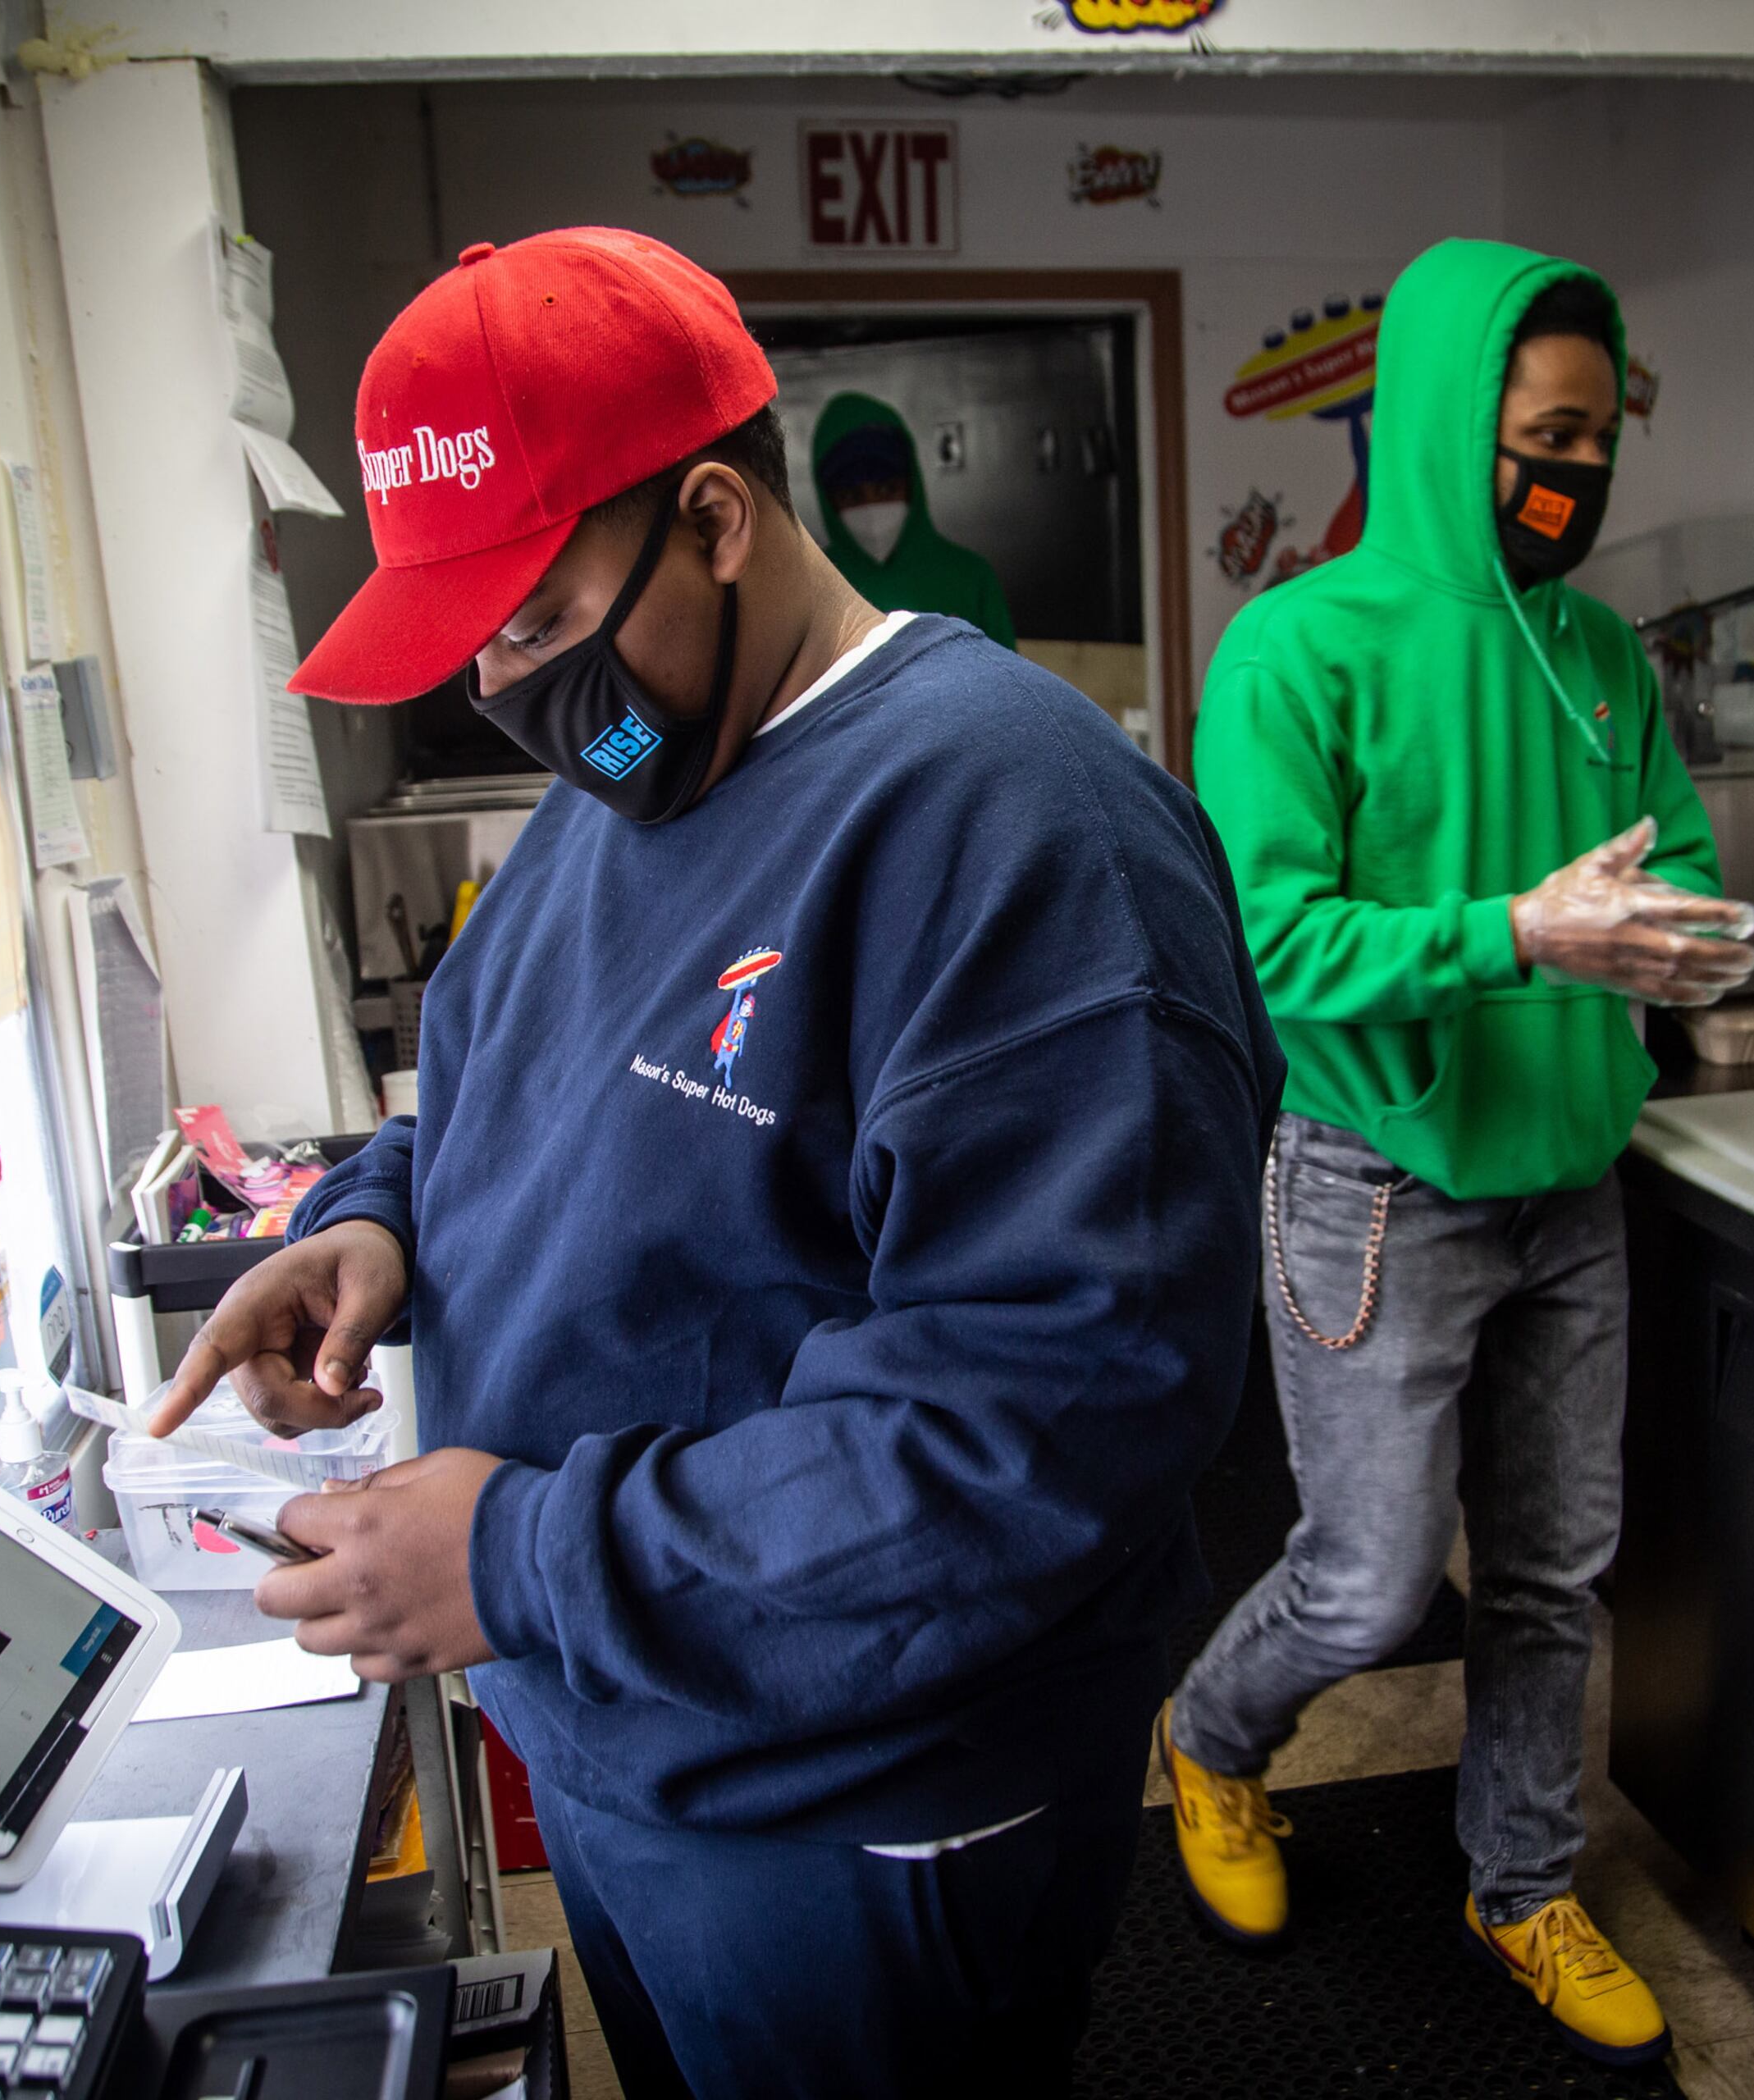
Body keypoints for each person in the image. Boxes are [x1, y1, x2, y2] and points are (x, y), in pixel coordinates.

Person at [144, 228, 1281, 2100]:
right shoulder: (627, 781)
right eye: (470, 636)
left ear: (715, 516)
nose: (510, 683)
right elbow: (526, 1089)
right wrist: (374, 1222)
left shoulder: (1020, 830)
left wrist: (514, 1545)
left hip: (852, 1803)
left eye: (535, 613)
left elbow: (1045, 1422)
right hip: (617, 1730)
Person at [1153, 239, 1754, 2067]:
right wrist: (1521, 934)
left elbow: (1679, 868)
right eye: (1540, 432)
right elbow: (1274, 947)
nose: (1572, 472)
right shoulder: (1299, 651)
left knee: (1555, 1571)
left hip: (1571, 1185)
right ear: (1443, 421)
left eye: (1596, 435)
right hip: (1377, 1183)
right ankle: (1215, 1733)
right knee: (1364, 1575)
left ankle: (1522, 1880)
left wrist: (1692, 938)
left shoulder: (1600, 656)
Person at [806, 390, 1017, 646]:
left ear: (912, 485)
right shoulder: (813, 589)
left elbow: (1007, 679)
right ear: (829, 502)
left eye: (887, 489)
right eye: (852, 496)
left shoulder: (970, 579)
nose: (872, 506)